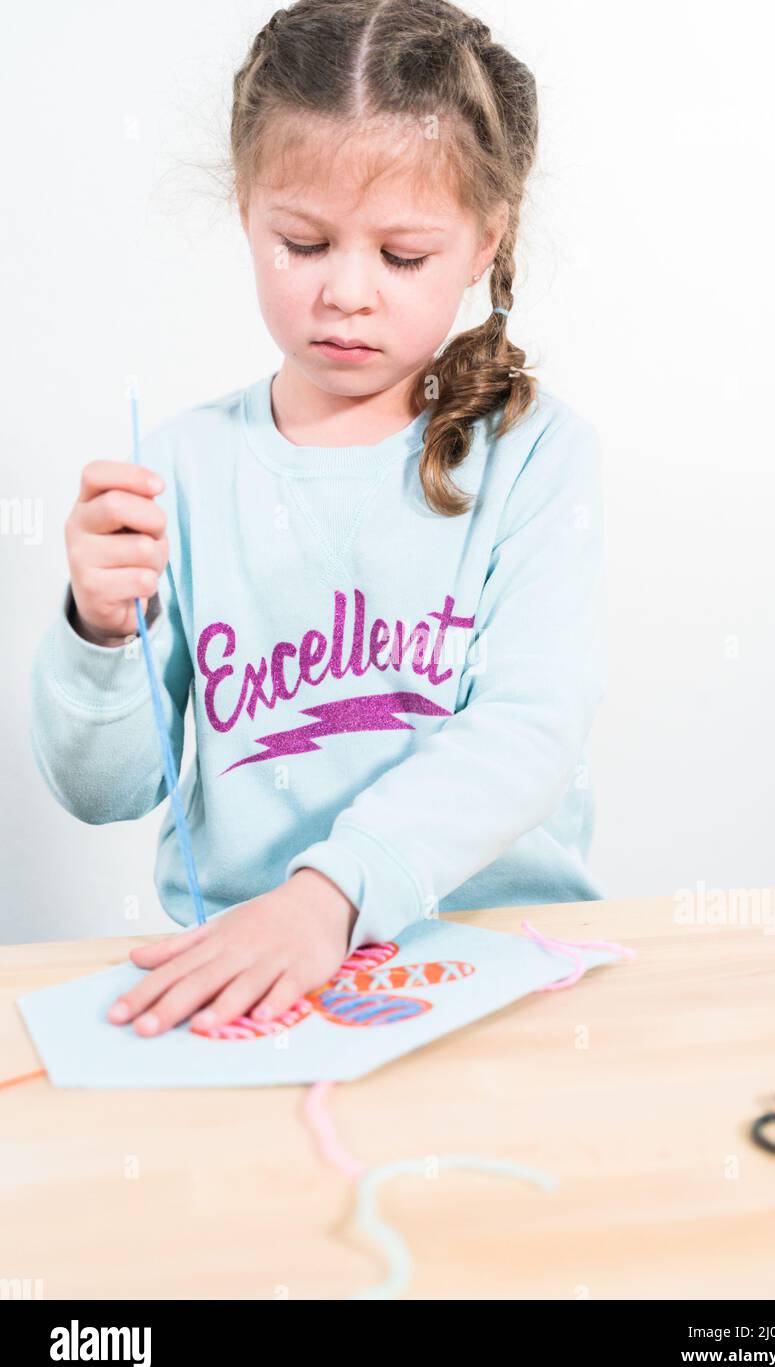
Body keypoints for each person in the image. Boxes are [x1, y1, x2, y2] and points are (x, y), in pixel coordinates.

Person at [29, 0, 607, 1039]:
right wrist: (96, 631)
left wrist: (328, 895)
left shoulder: (534, 456)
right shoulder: (180, 469)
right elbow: (107, 793)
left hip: (499, 963)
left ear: (485, 238)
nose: (345, 294)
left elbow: (530, 731)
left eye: (400, 256)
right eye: (302, 242)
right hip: (252, 984)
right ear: (248, 208)